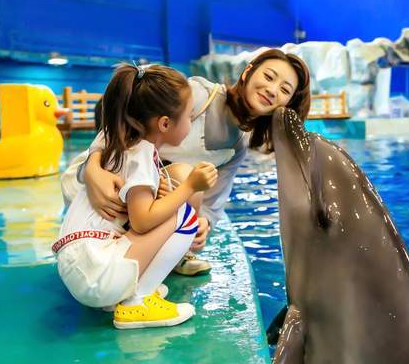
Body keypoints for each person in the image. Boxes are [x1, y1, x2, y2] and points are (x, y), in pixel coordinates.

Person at [62, 49, 311, 275]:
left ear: (287, 104)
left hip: (145, 194)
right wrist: (93, 170)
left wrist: (204, 223)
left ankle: (154, 259)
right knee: (183, 175)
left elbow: (213, 202)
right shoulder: (200, 95)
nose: (272, 89)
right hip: (112, 176)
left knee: (188, 180)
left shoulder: (238, 144)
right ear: (248, 71)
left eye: (285, 89)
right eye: (269, 76)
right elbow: (125, 122)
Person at [53, 64, 217, 329]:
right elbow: (142, 222)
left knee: (170, 207)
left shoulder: (119, 145)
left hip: (81, 268)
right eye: (189, 115)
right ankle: (137, 302)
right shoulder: (141, 155)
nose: (191, 121)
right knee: (184, 216)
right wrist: (189, 187)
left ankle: (126, 292)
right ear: (165, 123)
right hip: (96, 274)